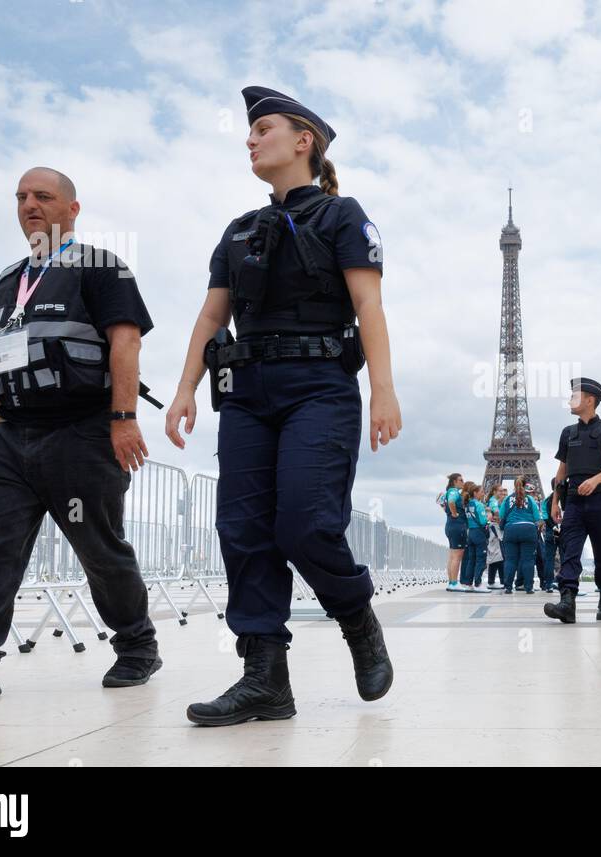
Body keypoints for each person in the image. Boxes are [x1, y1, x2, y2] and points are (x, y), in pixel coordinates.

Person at [166, 87, 400, 726]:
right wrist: (185, 388)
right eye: (248, 132)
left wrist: (383, 387)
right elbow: (212, 315)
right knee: (243, 533)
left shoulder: (341, 215)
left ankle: (357, 619)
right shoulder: (239, 230)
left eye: (262, 129)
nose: (250, 139)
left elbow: (369, 306)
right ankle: (264, 677)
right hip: (245, 393)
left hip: (319, 386)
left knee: (304, 523)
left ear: (304, 142)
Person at [0, 167, 162, 706]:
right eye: (21, 197)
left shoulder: (100, 266)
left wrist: (123, 418)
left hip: (82, 431)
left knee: (99, 548)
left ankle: (137, 645)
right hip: (11, 434)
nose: (29, 205)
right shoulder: (7, 279)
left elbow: (125, 342)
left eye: (43, 196)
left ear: (72, 208)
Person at [543, 378, 601, 623]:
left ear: (590, 400)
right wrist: (555, 501)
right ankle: (567, 601)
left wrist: (595, 481)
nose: (570, 400)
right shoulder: (568, 433)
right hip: (574, 502)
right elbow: (562, 469)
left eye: (574, 396)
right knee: (570, 551)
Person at [501, 476, 544, 595]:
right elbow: (537, 518)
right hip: (528, 529)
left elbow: (501, 516)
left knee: (510, 560)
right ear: (525, 485)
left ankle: (508, 587)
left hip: (511, 529)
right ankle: (529, 587)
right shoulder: (530, 499)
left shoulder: (507, 499)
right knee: (528, 560)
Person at [460, 482, 490, 591]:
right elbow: (483, 521)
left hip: (471, 533)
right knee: (481, 559)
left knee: (471, 560)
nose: (483, 493)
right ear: (475, 493)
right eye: (482, 492)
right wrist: (488, 520)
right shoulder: (479, 505)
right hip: (479, 534)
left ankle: (468, 584)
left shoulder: (467, 504)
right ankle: (478, 583)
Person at [441, 473, 467, 592]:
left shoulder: (447, 492)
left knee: (452, 556)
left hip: (450, 525)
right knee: (457, 556)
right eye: (461, 480)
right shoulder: (454, 492)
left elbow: (443, 504)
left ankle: (451, 582)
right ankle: (454, 582)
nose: (463, 482)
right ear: (454, 482)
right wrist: (454, 513)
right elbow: (451, 502)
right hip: (457, 526)